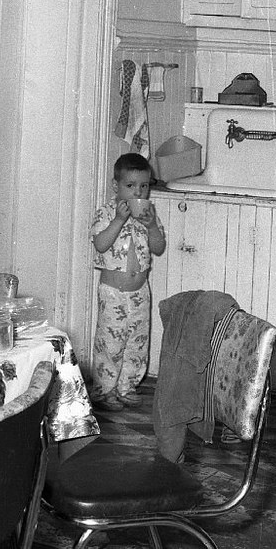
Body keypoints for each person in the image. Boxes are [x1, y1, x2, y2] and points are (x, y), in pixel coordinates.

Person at [89, 151, 166, 412]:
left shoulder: (148, 215)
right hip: (113, 292)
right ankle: (104, 389)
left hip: (140, 292)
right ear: (116, 186)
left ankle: (127, 385)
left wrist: (153, 226)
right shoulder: (106, 212)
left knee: (137, 341)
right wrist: (119, 220)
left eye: (144, 186)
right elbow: (100, 244)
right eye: (130, 186)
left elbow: (158, 248)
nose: (138, 192)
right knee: (110, 343)